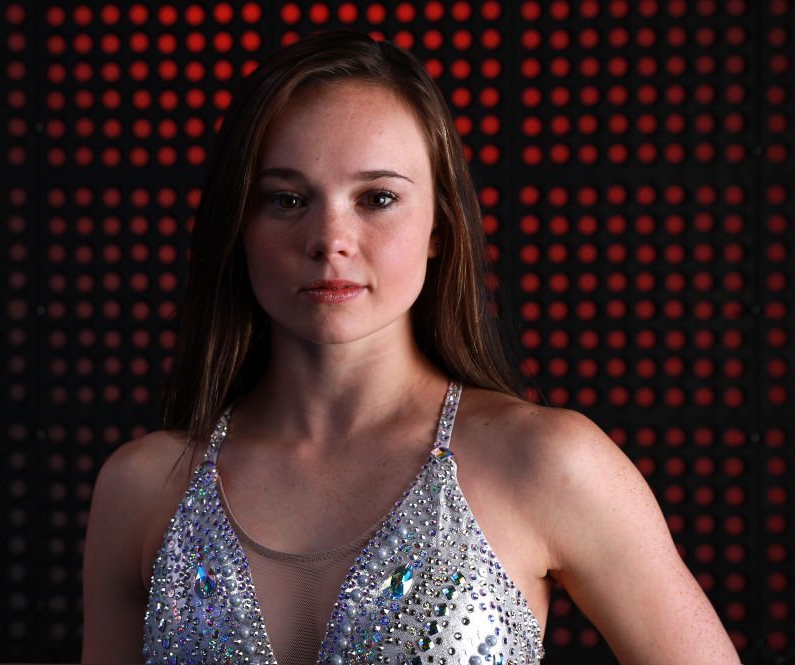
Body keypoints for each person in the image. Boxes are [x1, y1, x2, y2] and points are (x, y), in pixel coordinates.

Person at [81, 30, 741, 665]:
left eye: (378, 197)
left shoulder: (547, 463)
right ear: (239, 226)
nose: (330, 238)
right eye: (286, 199)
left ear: (438, 229)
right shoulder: (142, 489)